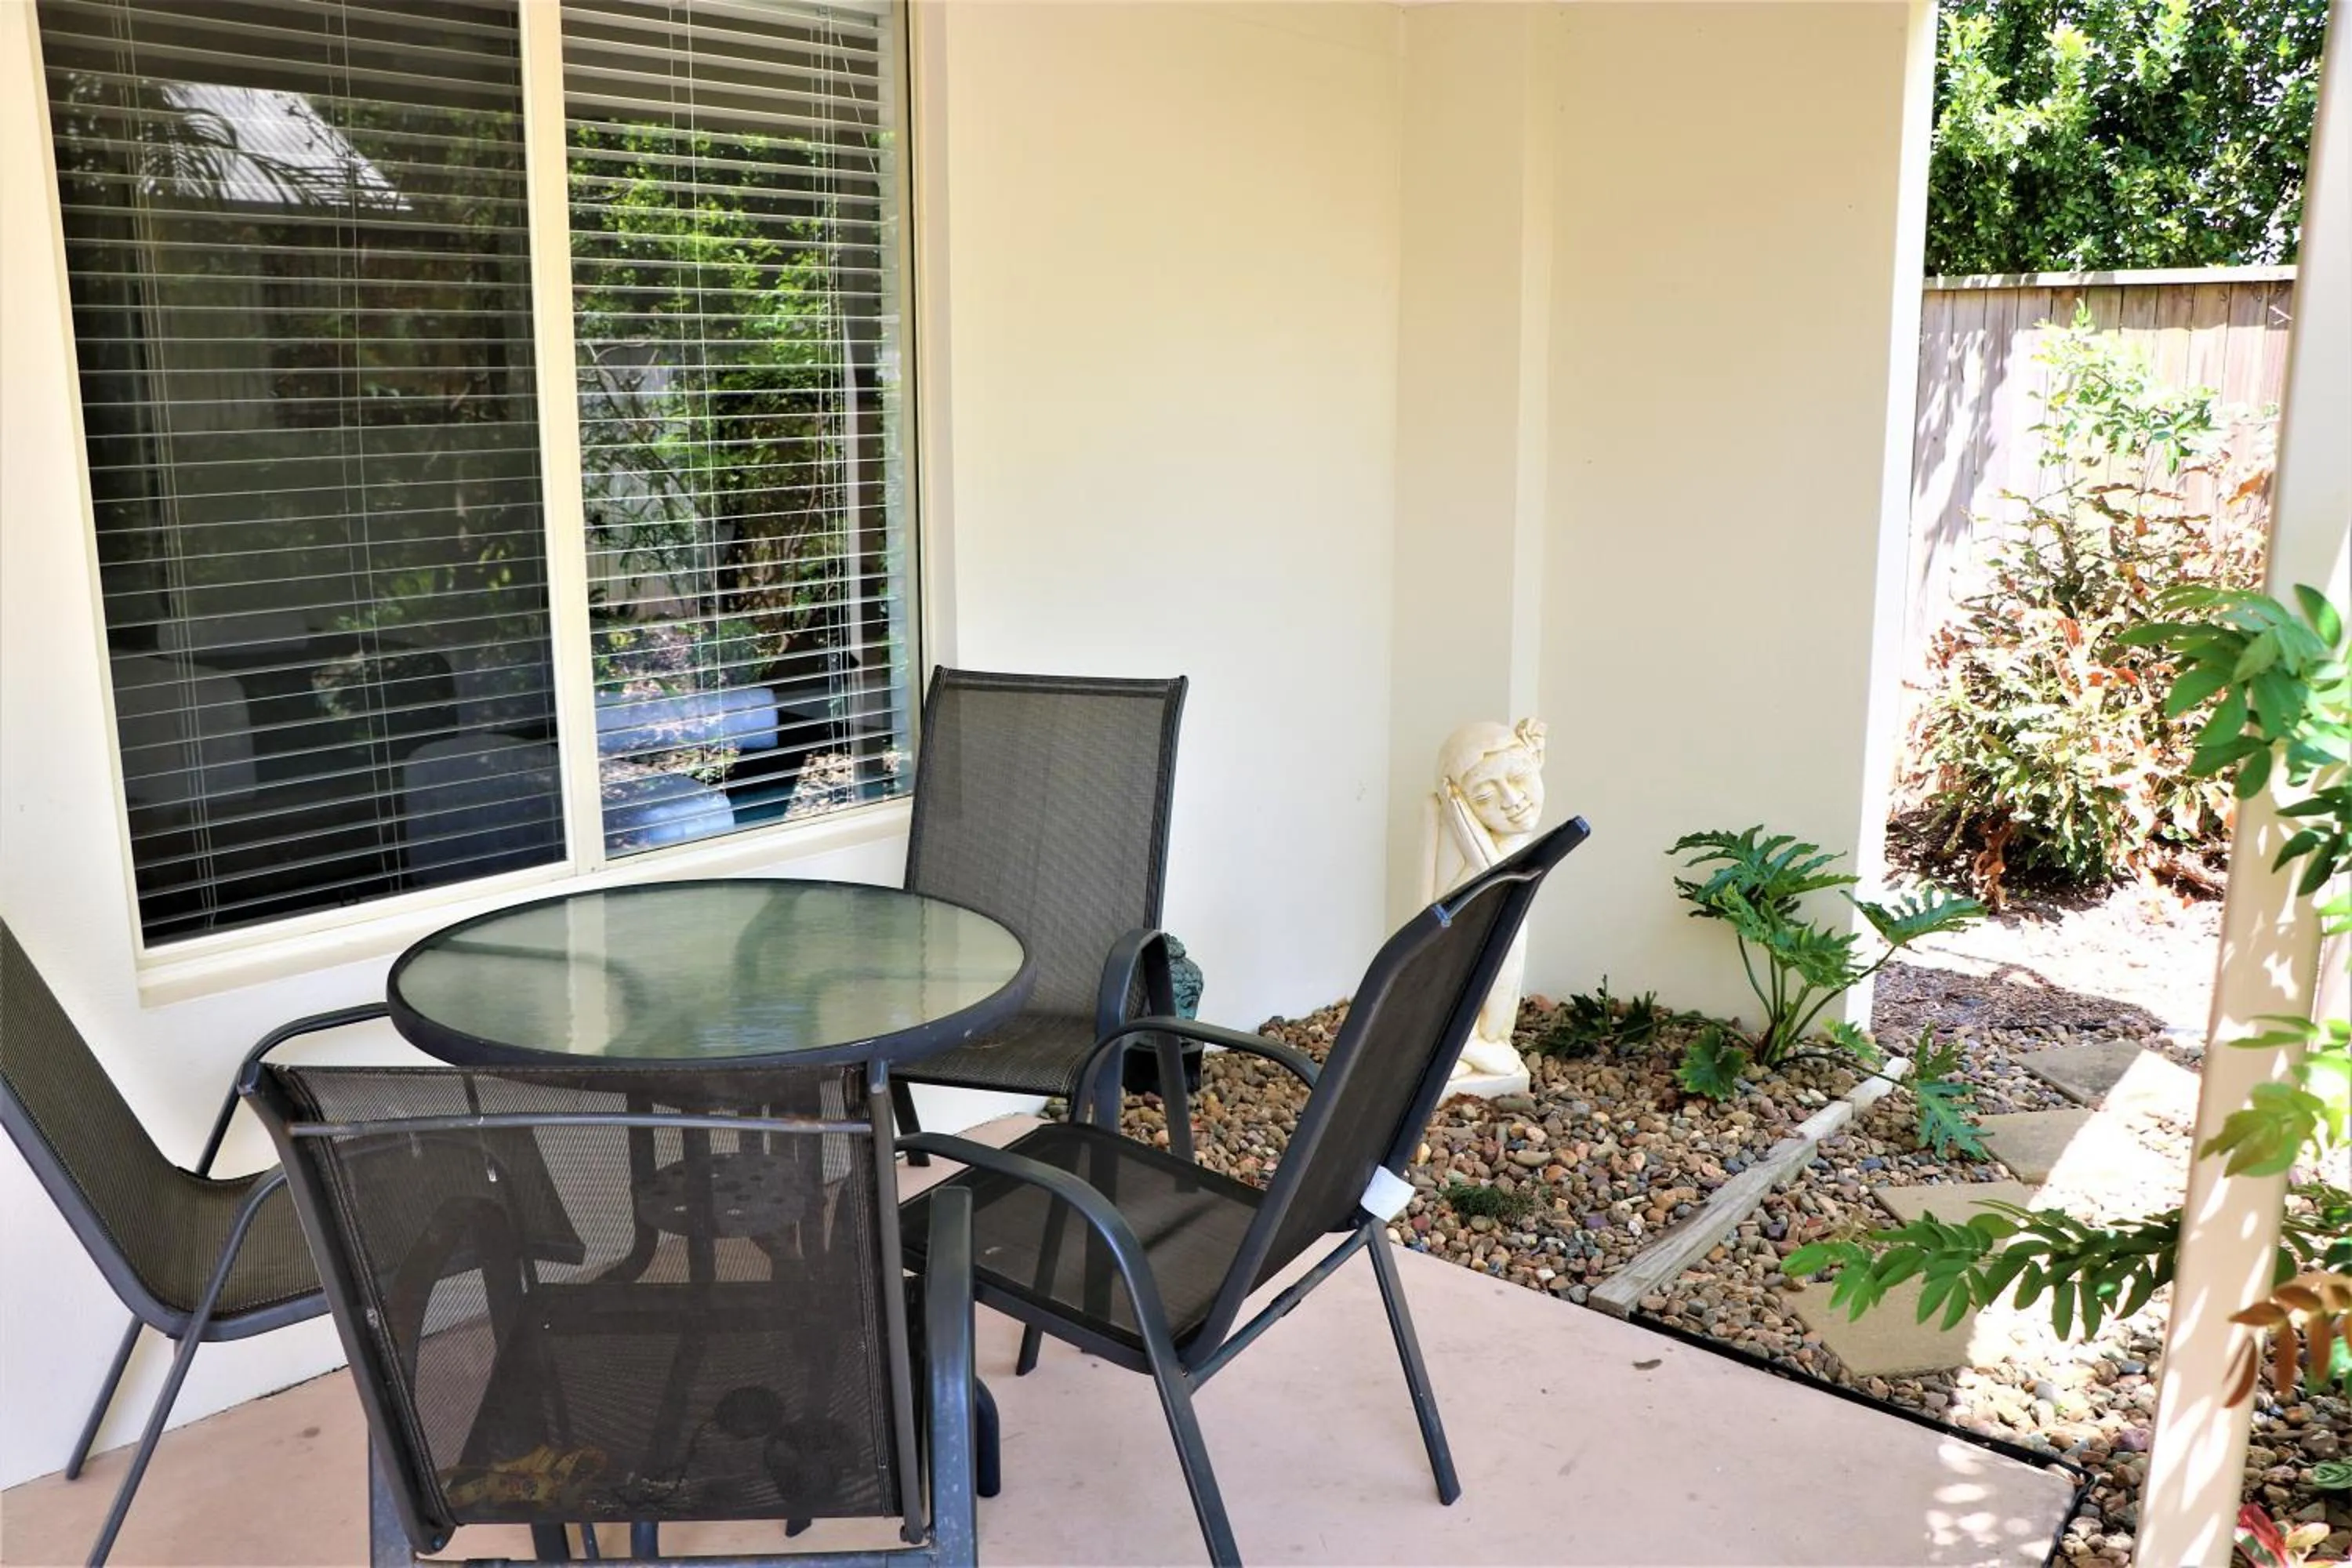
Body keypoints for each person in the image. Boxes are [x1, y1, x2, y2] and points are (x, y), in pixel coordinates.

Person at [1421, 718, 1547, 1084]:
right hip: (1456, 941)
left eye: (1519, 778)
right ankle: (1468, 1044)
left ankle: (1480, 1043)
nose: (1512, 801)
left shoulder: (1511, 836)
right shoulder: (1451, 825)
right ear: (1460, 800)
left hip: (1496, 926)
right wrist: (1457, 814)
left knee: (1510, 941)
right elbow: (1480, 880)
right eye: (1484, 798)